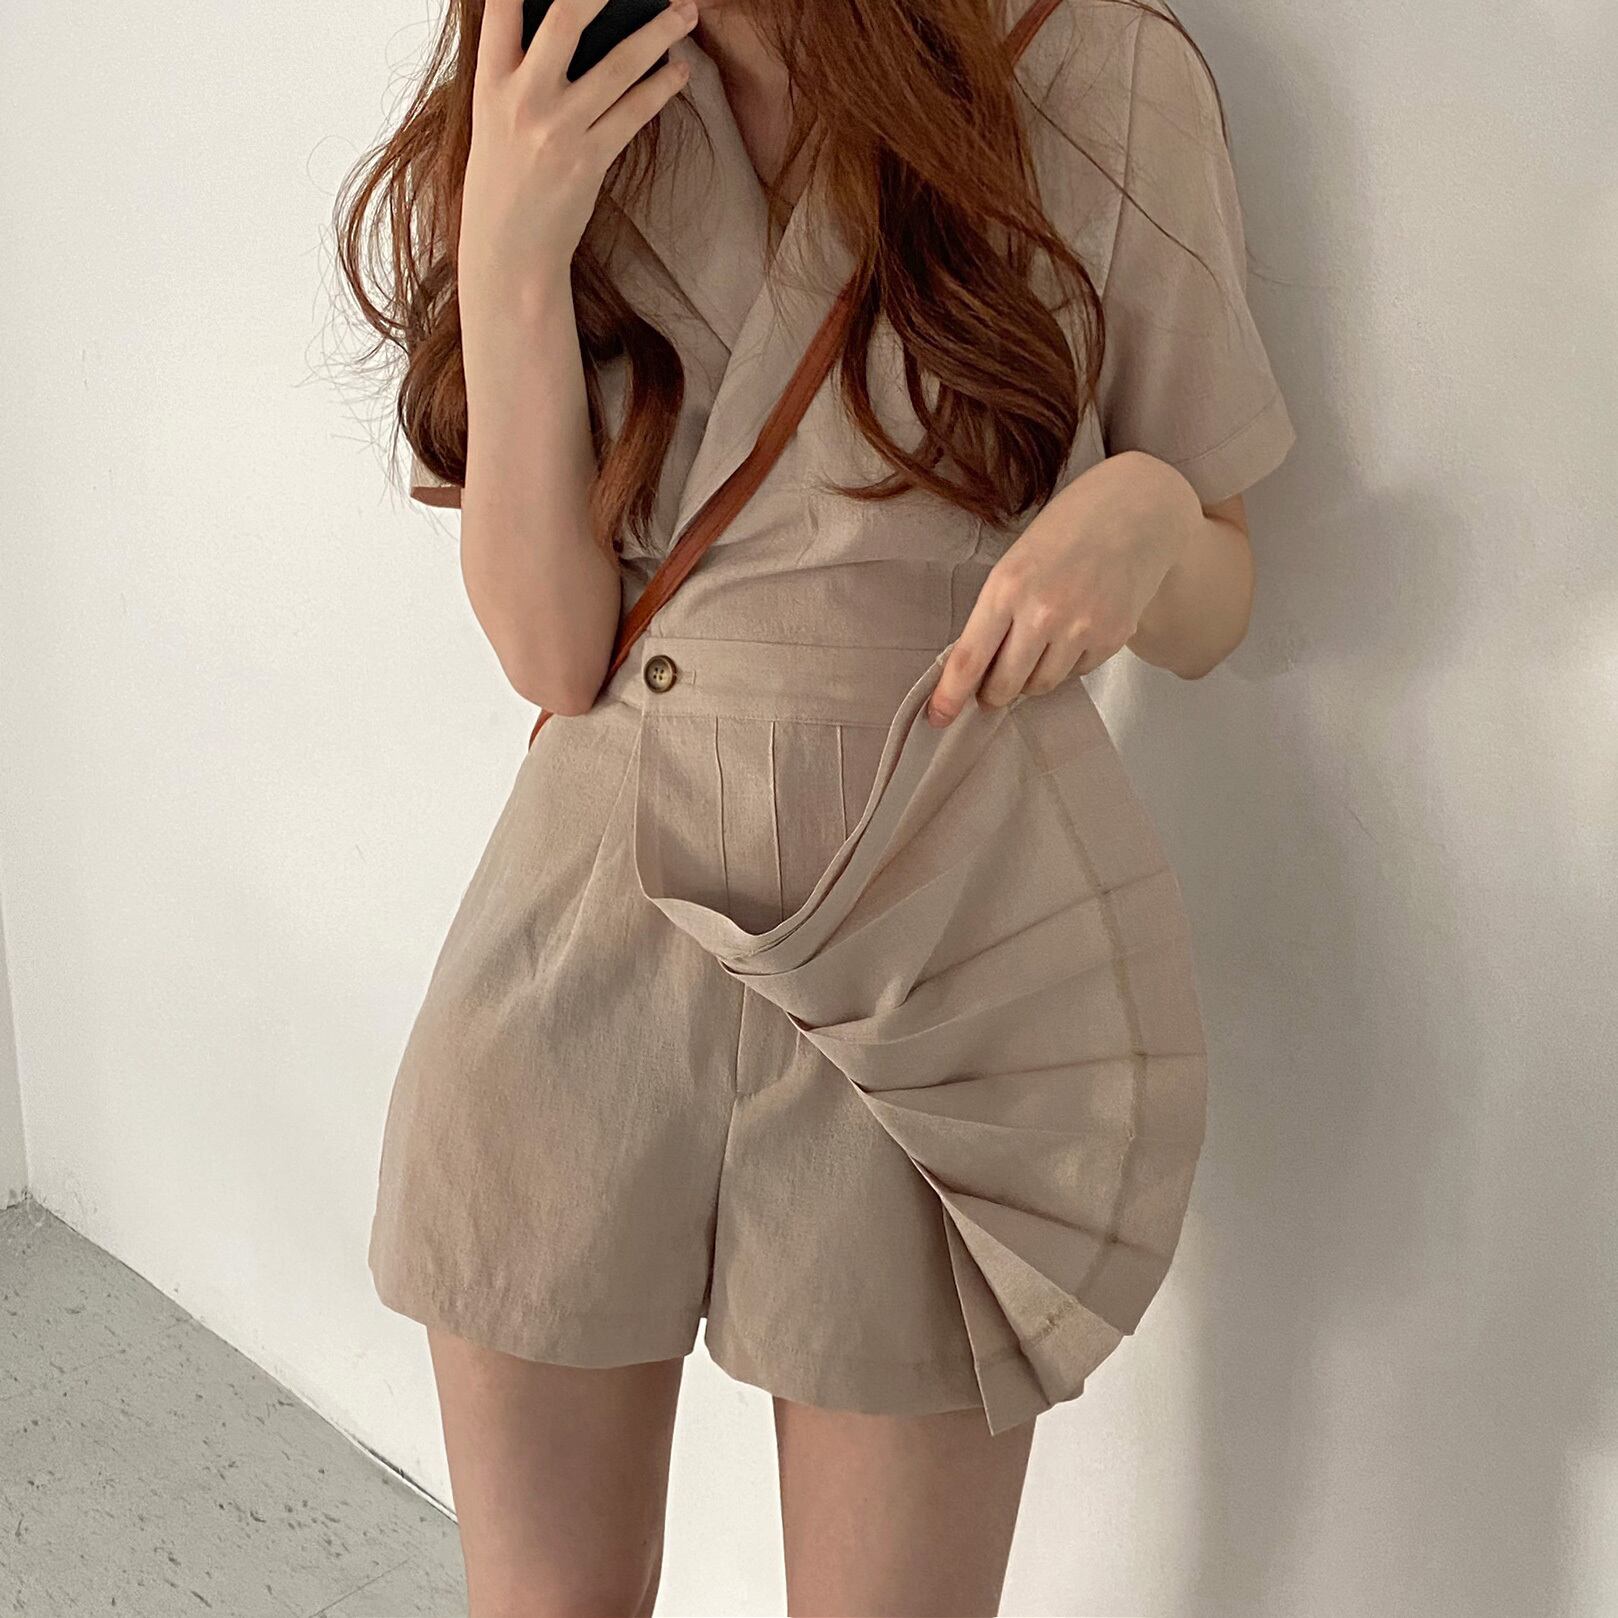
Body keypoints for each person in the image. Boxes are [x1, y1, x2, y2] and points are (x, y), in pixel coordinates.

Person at [335, 0, 1295, 1609]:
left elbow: (1217, 602)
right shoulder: (555, 77)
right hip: (585, 928)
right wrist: (506, 251)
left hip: (935, 952)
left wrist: (1141, 512)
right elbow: (551, 652)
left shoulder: (1093, 71)